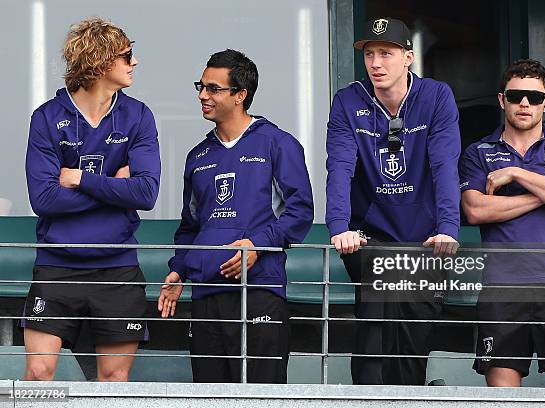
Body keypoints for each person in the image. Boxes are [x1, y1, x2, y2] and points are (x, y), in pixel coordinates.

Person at [158, 49, 314, 383]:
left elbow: (300, 212)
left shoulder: (278, 144)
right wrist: (179, 271)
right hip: (206, 296)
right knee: (209, 398)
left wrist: (258, 244)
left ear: (240, 95)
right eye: (200, 86)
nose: (202, 95)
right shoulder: (197, 156)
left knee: (263, 397)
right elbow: (190, 227)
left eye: (213, 88)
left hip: (260, 291)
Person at [325, 17, 461, 385]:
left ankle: (407, 392)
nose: (376, 63)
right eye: (369, 54)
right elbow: (339, 167)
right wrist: (339, 227)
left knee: (413, 309)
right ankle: (371, 393)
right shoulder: (348, 101)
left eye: (386, 53)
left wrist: (448, 228)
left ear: (408, 58)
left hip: (424, 237)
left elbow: (444, 165)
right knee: (377, 298)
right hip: (369, 235)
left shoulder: (435, 96)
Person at [23, 17, 161, 381]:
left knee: (113, 381)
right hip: (56, 265)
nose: (134, 62)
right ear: (99, 63)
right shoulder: (47, 118)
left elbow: (146, 193)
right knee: (38, 373)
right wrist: (113, 188)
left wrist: (81, 179)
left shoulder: (138, 116)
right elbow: (45, 199)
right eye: (126, 55)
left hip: (117, 267)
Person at [460, 59, 545, 388]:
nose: (524, 104)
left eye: (534, 98)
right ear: (502, 99)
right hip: (502, 284)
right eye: (516, 95)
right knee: (504, 399)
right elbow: (476, 210)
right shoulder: (479, 152)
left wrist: (516, 175)